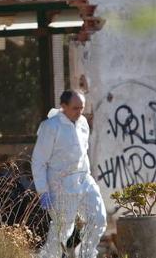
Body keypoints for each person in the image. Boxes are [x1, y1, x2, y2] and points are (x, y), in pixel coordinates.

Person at [31, 90, 107, 258]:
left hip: (84, 179)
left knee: (98, 218)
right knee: (63, 228)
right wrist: (43, 191)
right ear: (63, 106)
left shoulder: (83, 123)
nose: (79, 112)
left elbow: (83, 153)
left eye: (82, 108)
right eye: (75, 108)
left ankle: (87, 255)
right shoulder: (50, 127)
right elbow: (38, 161)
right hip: (61, 183)